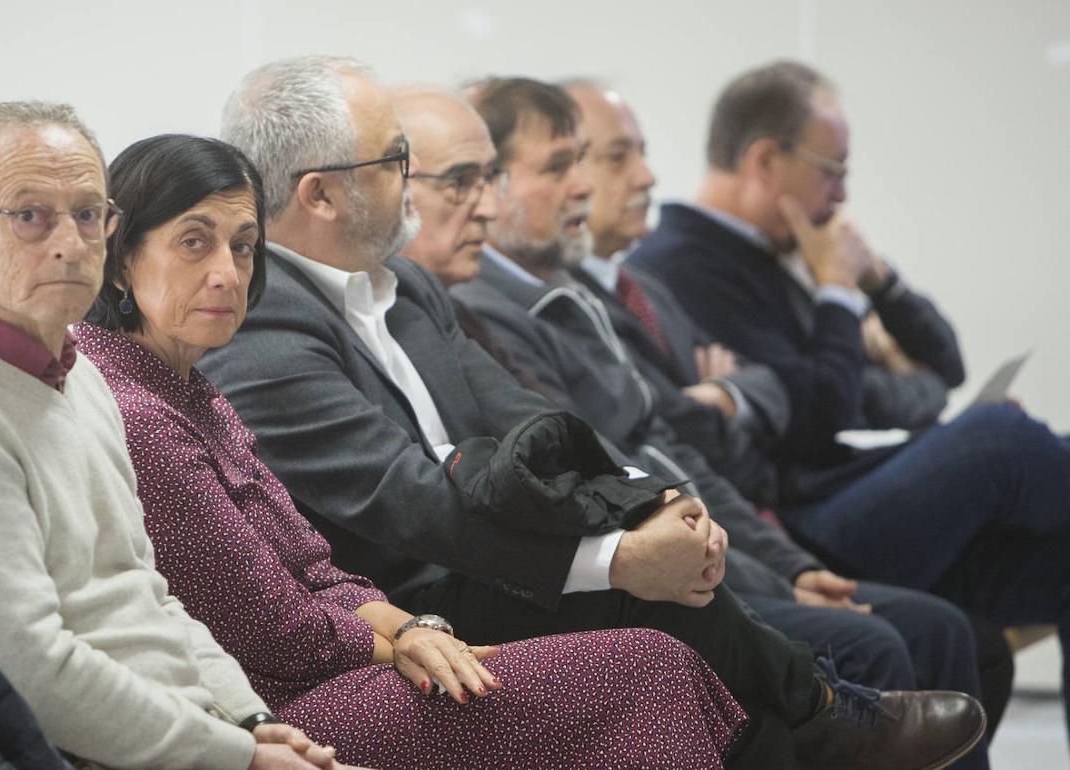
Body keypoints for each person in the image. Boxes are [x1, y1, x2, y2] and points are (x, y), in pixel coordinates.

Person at [202, 55, 984, 770]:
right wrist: (616, 559)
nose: (414, 182)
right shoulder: (262, 328)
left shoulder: (405, 289)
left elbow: (533, 419)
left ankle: (824, 723)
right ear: (320, 194)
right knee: (644, 598)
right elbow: (412, 501)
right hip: (403, 611)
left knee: (678, 599)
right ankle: (823, 711)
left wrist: (654, 505)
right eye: (398, 160)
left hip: (493, 559)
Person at [74, 131, 748, 770]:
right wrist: (404, 642)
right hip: (265, 713)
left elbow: (316, 568)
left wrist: (418, 628)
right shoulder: (138, 412)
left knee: (651, 651)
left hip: (337, 658)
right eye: (195, 243)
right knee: (640, 669)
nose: (227, 272)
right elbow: (271, 626)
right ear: (121, 257)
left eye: (245, 246)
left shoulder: (188, 386)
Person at [0, 101, 354, 770]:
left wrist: (248, 718)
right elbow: (29, 672)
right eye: (29, 216)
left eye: (86, 214)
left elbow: (143, 589)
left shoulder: (78, 376)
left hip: (176, 729)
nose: (70, 243)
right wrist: (233, 754)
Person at [628, 59, 1070, 736]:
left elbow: (936, 370)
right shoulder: (681, 264)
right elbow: (825, 410)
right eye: (830, 170)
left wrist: (877, 280)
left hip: (840, 488)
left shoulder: (790, 253)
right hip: (795, 521)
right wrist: (836, 295)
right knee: (996, 438)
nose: (840, 195)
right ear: (766, 160)